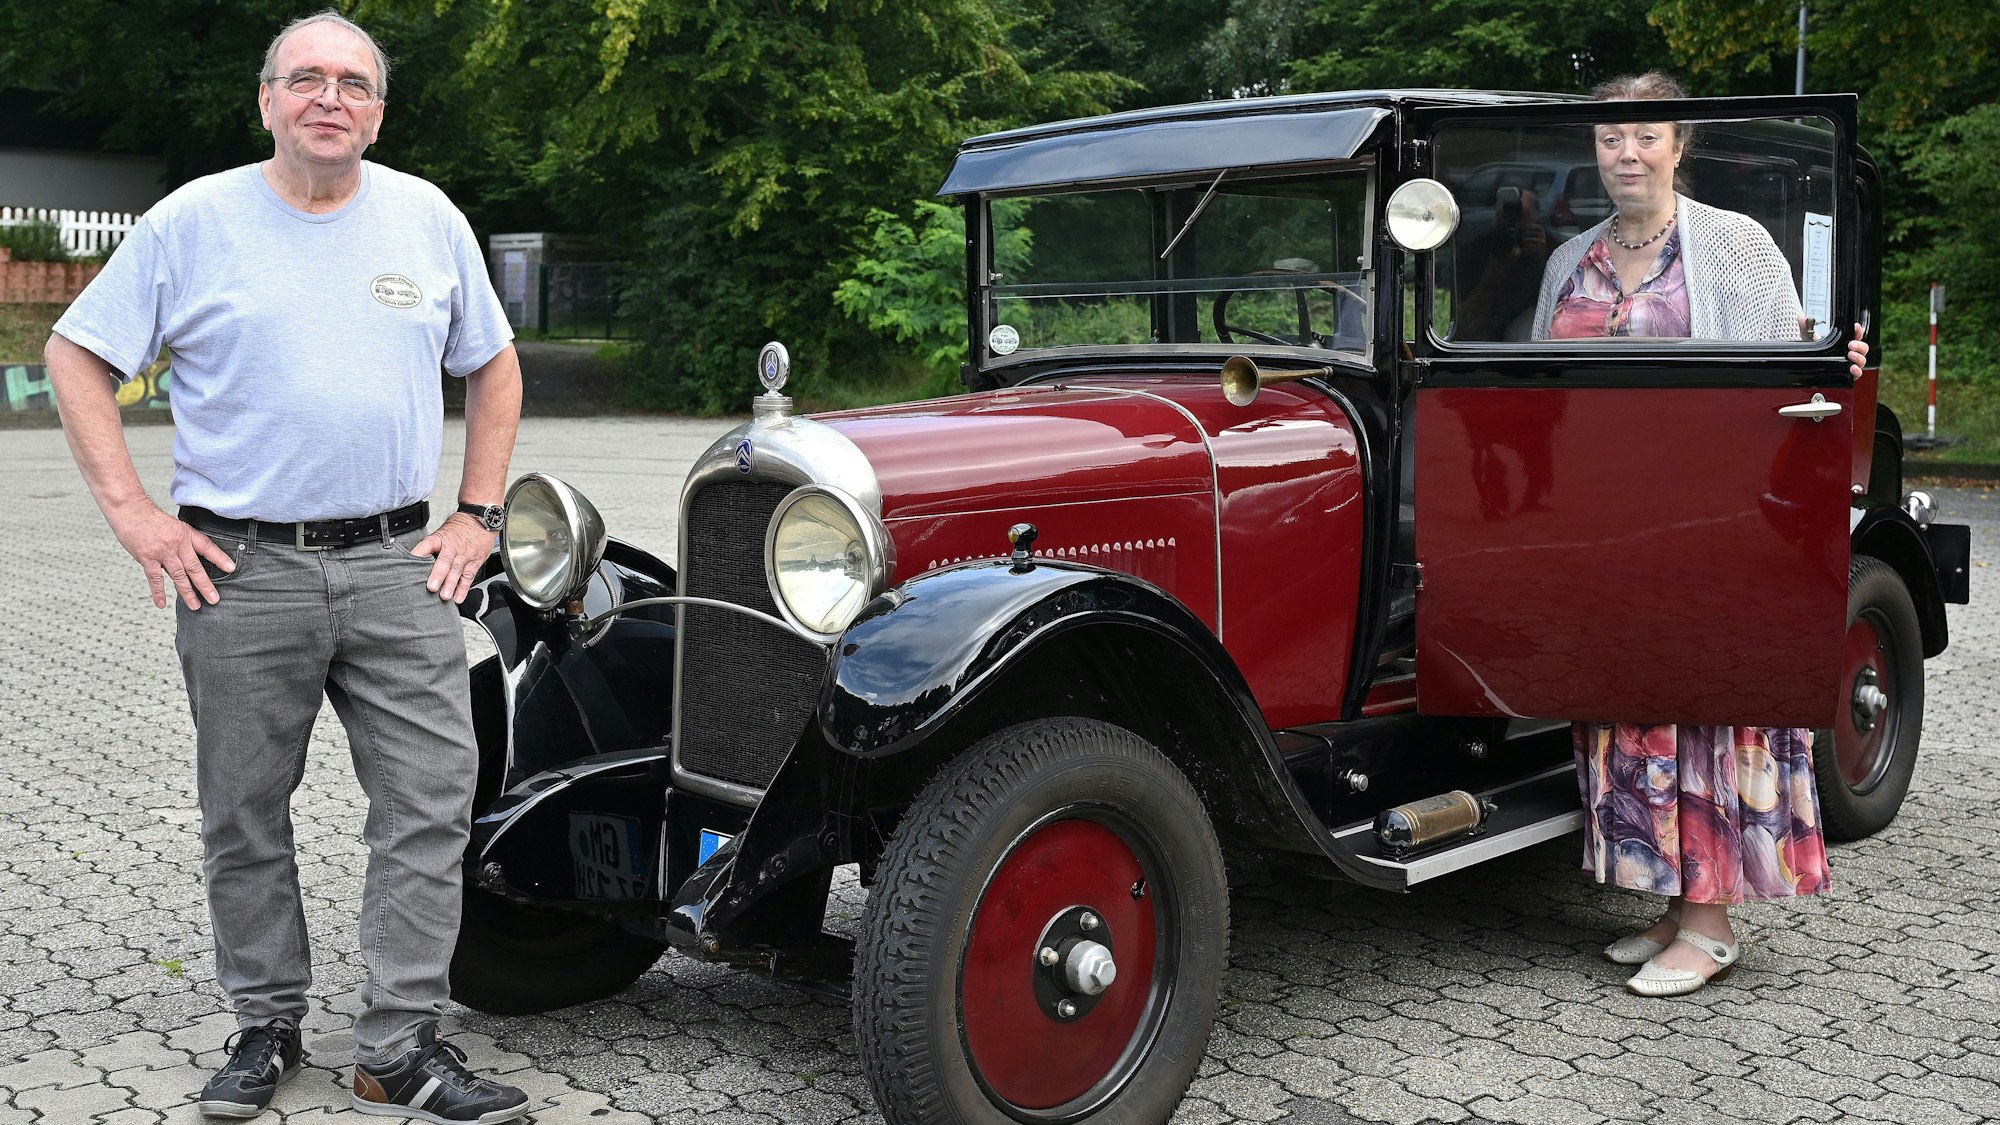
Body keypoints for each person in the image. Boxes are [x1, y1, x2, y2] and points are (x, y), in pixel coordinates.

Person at [46, 11, 532, 1121]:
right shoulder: (194, 222)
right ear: (264, 100)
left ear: (377, 110)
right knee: (243, 810)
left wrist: (477, 515)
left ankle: (398, 1047)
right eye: (304, 79)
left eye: (352, 83)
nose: (329, 98)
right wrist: (135, 514)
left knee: (428, 802)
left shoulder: (425, 216)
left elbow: (495, 369)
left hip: (401, 565)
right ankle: (266, 1024)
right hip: (242, 572)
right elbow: (75, 354)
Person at [1530, 72, 1869, 998]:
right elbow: (1539, 402)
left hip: (1711, 528)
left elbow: (1791, 372)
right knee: (1631, 711)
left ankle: (1713, 925)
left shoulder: (1735, 245)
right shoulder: (1569, 264)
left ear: (1681, 145)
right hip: (1608, 533)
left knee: (1705, 708)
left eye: (1645, 136)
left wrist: (1835, 357)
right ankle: (1677, 902)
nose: (1626, 154)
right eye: (1609, 139)